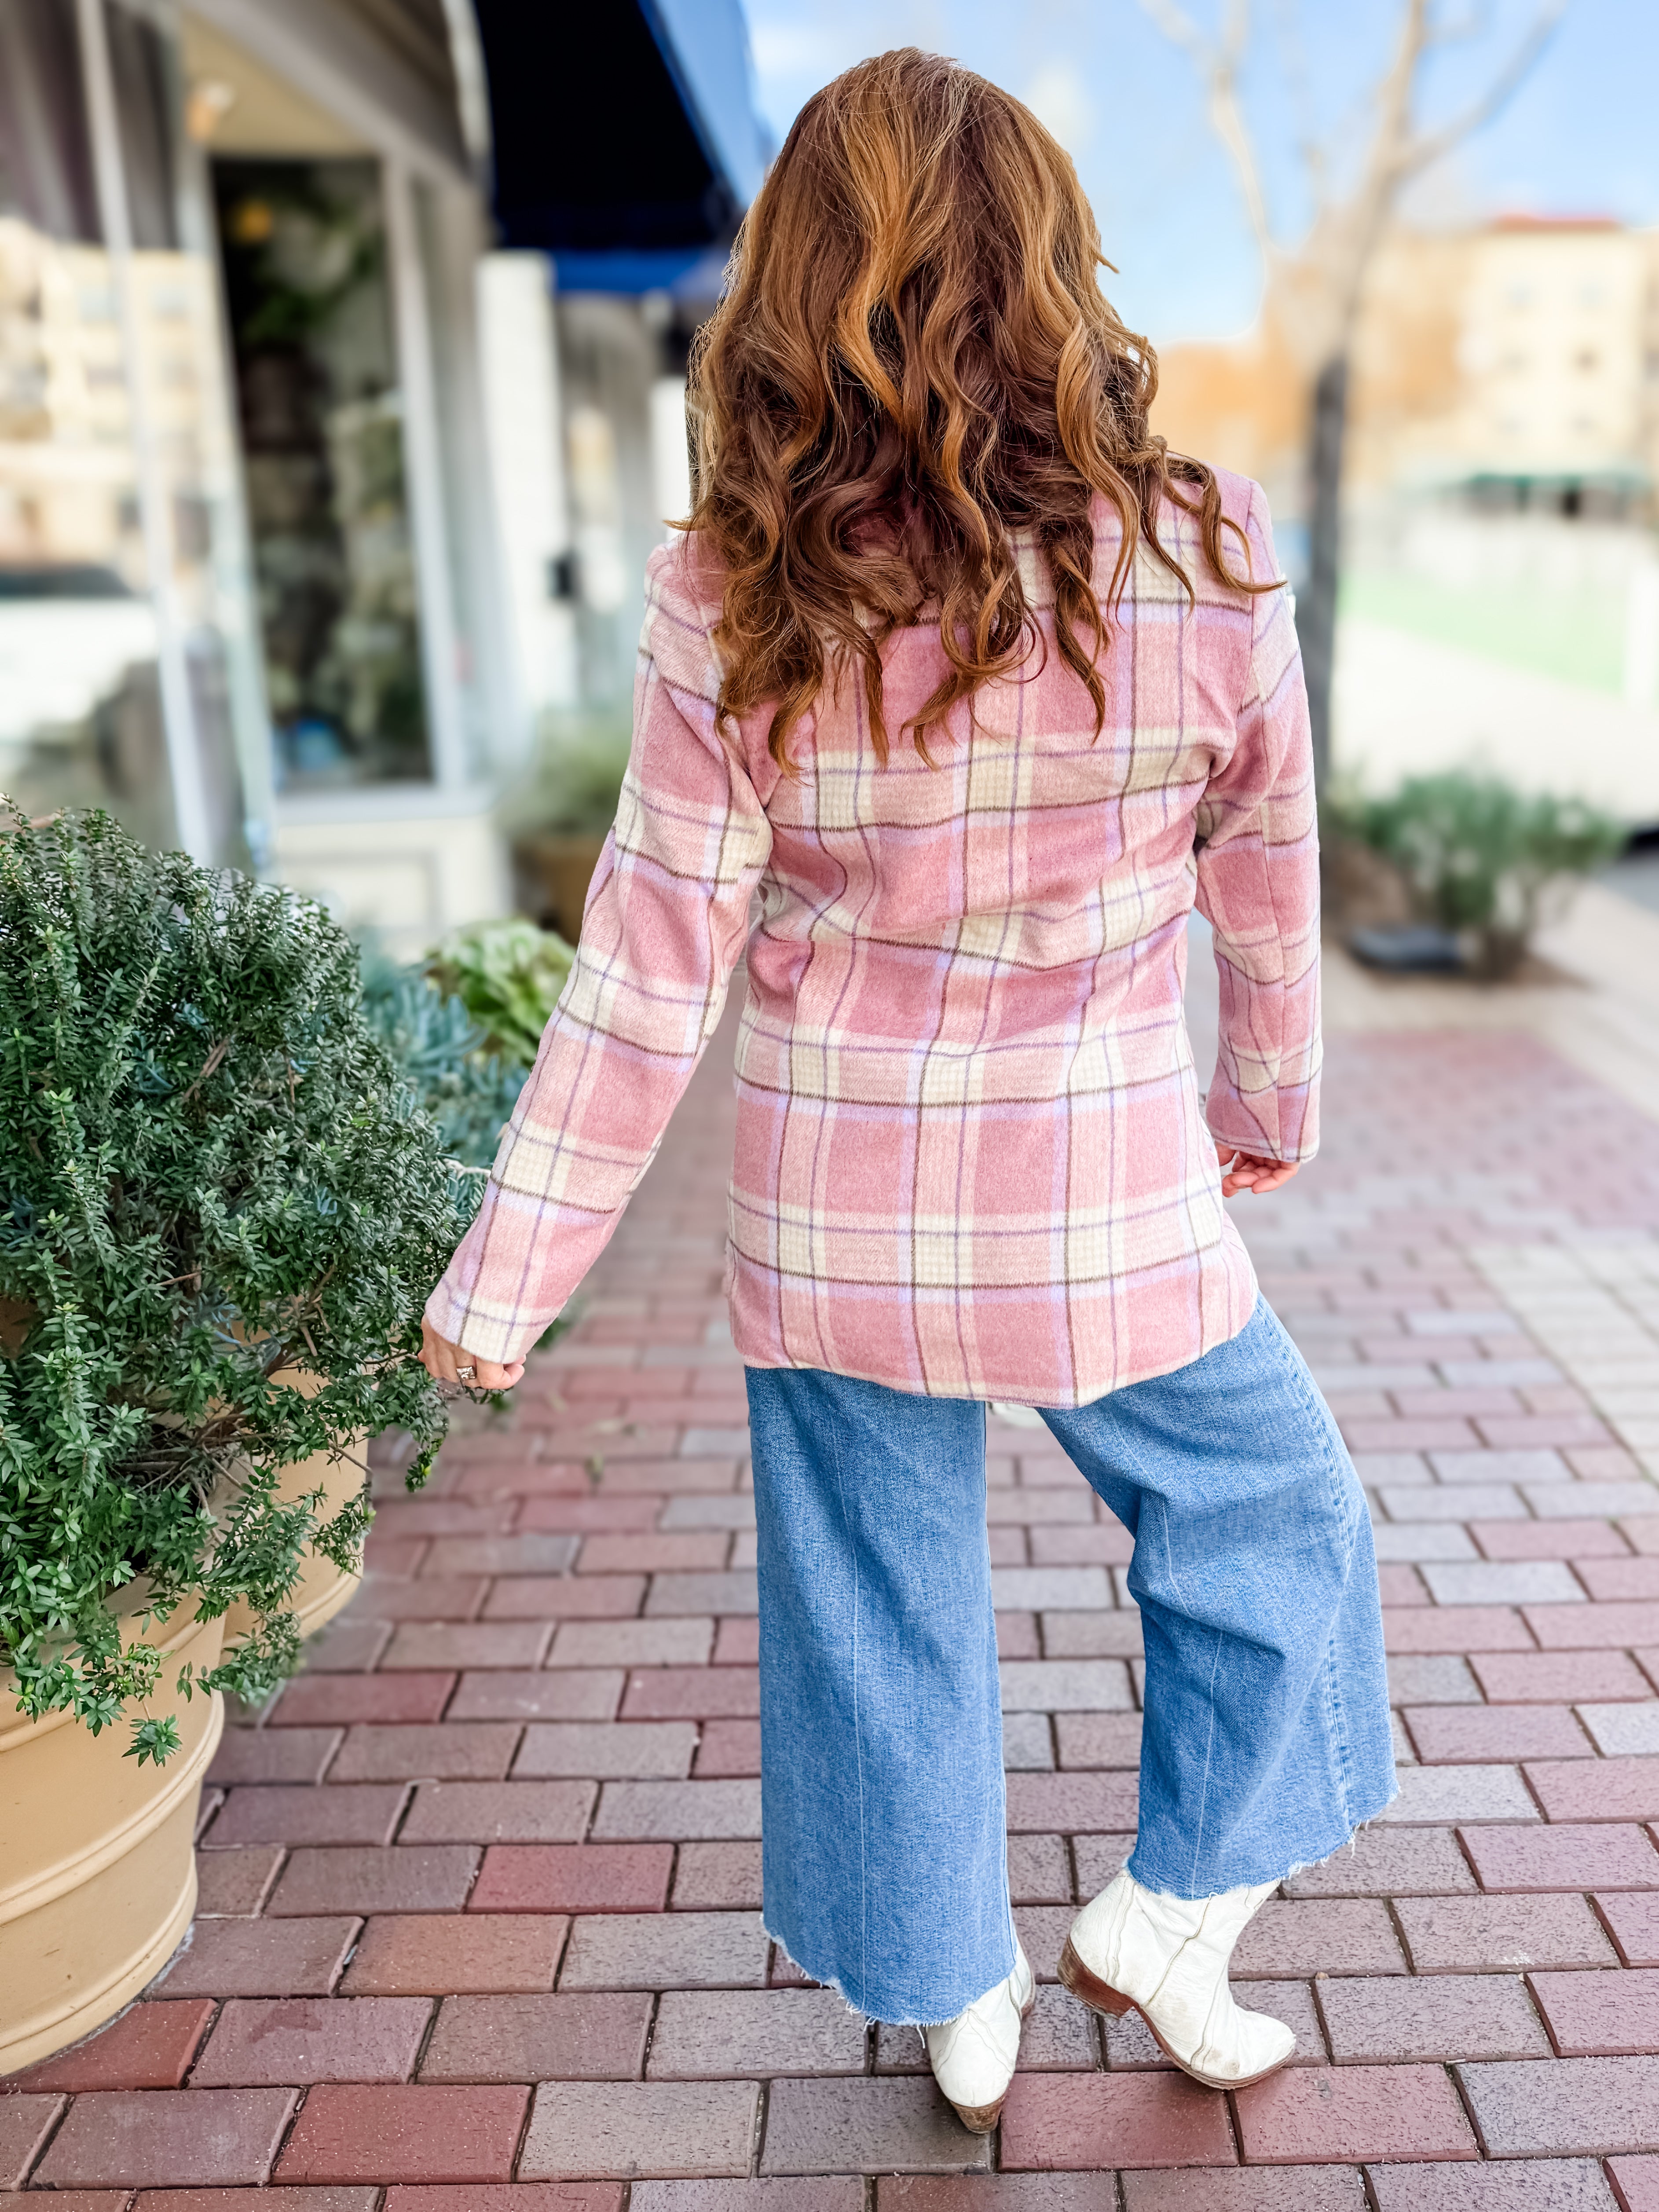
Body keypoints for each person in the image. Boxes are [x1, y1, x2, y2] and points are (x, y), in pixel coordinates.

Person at [421, 47, 1394, 2137]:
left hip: (836, 1216)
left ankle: (957, 1994)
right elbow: (1267, 872)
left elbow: (646, 962)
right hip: (1106, 1202)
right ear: (1049, 270)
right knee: (1276, 1517)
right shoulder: (1205, 554)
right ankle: (1178, 1901)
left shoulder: (735, 585)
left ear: (794, 285)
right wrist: (1270, 1101)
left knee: (876, 1608)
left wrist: (507, 1282)